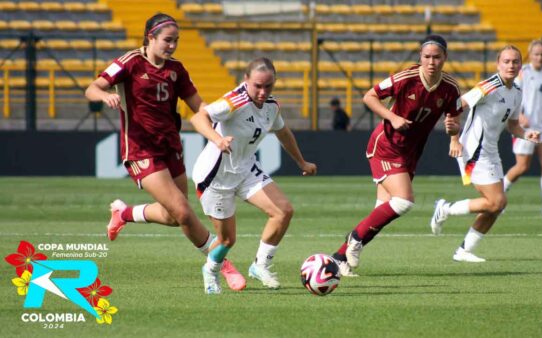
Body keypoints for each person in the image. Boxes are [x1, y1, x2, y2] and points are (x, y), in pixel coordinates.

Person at [84, 13, 246, 291]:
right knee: (183, 212)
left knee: (174, 215)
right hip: (140, 148)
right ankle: (222, 266)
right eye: (167, 40)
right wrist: (105, 95)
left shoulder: (176, 69)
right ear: (150, 37)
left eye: (176, 41)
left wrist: (221, 122)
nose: (172, 46)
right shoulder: (130, 62)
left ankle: (123, 214)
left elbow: (199, 106)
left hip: (171, 146)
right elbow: (92, 88)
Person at [330, 35, 462, 276]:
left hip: (411, 151)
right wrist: (392, 117)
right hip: (387, 145)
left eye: (437, 57)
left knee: (381, 211)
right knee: (404, 201)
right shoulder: (406, 78)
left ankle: (339, 257)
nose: (431, 62)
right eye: (427, 57)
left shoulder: (450, 88)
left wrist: (454, 135)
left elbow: (453, 119)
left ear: (445, 58)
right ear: (420, 58)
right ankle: (355, 238)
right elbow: (369, 96)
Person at [190, 57, 317, 294]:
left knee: (283, 211)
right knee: (227, 240)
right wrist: (217, 139)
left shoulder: (271, 105)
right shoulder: (234, 101)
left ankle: (260, 265)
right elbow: (198, 117)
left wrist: (301, 161)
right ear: (245, 80)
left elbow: (283, 132)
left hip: (245, 169)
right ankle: (211, 270)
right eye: (257, 85)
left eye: (268, 86)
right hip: (215, 177)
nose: (262, 91)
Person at [430, 45, 540, 262]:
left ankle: (464, 250)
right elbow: (457, 105)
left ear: (520, 66)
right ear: (498, 64)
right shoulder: (489, 86)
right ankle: (445, 209)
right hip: (474, 150)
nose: (511, 65)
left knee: (498, 206)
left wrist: (527, 135)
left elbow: (513, 125)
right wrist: (454, 138)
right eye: (506, 61)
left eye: (515, 62)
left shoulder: (517, 92)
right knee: (496, 202)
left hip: (491, 151)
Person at [503, 40, 542, 215]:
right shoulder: (522, 73)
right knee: (522, 166)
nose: (540, 57)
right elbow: (513, 94)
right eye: (537, 54)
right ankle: (500, 193)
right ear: (530, 55)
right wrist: (519, 115)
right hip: (525, 127)